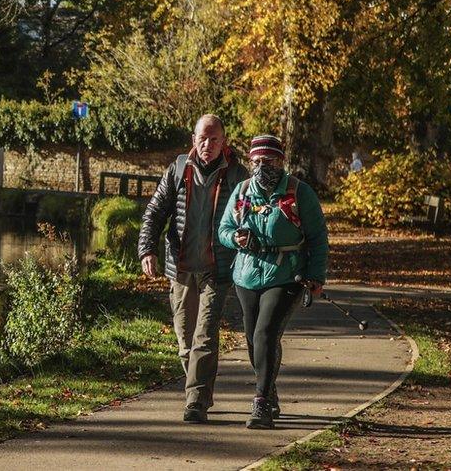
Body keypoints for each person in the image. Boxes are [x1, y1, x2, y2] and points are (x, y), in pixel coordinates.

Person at [138, 114, 249, 424]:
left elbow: (249, 216)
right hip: (182, 266)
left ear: (224, 142)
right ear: (193, 139)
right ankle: (199, 389)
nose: (207, 145)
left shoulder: (238, 176)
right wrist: (147, 249)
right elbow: (155, 213)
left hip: (217, 268)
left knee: (205, 336)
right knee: (186, 341)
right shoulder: (177, 170)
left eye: (214, 139)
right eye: (203, 138)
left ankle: (196, 402)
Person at [218, 134, 329, 429]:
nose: (260, 167)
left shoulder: (299, 192)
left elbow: (318, 238)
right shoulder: (242, 191)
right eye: (255, 161)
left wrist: (316, 276)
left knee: (265, 332)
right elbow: (224, 229)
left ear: (281, 161)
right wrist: (235, 237)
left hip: (286, 273)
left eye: (267, 161)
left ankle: (261, 403)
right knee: (253, 339)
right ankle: (269, 387)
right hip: (246, 274)